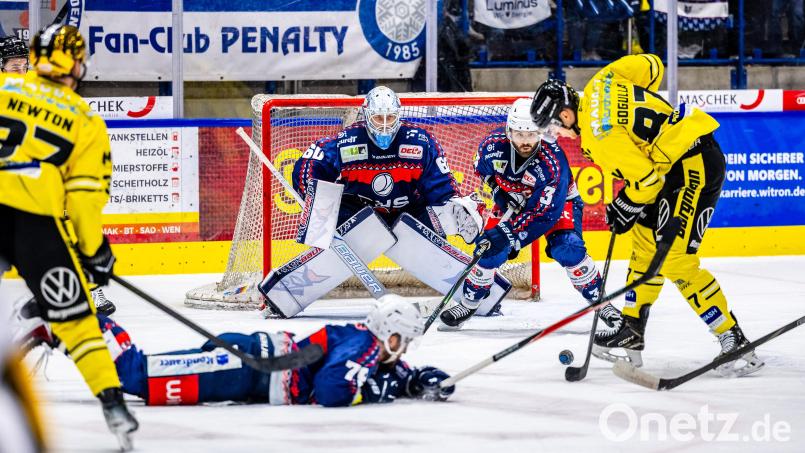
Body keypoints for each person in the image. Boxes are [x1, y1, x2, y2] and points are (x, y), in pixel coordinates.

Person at [529, 57, 764, 376]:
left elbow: (647, 182)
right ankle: (631, 331)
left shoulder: (600, 138)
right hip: (677, 160)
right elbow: (654, 66)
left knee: (675, 259)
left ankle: (733, 339)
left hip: (690, 166)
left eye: (554, 127)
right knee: (643, 246)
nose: (558, 136)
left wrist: (624, 204)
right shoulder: (601, 81)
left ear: (566, 114)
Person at [260, 86, 511, 319]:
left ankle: (479, 286)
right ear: (367, 116)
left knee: (456, 210)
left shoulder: (419, 142)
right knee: (327, 205)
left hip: (409, 213)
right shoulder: (347, 142)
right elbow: (309, 166)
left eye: (389, 118)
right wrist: (315, 202)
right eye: (378, 118)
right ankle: (283, 294)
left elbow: (441, 187)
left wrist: (454, 207)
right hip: (358, 215)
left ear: (398, 116)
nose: (383, 125)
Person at [0, 25, 138, 449]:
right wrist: (96, 254)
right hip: (33, 224)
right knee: (76, 319)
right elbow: (83, 200)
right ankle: (113, 404)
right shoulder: (85, 118)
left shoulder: (4, 88)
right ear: (78, 64)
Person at [15, 294, 455, 407]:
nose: (403, 349)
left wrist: (411, 377)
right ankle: (66, 317)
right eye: (403, 341)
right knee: (137, 377)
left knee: (139, 378)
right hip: (240, 368)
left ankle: (64, 324)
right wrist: (390, 389)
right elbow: (334, 390)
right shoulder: (363, 348)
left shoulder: (364, 343)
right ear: (388, 333)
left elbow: (366, 369)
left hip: (245, 368)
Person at [439, 97, 623, 329]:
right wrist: (498, 192)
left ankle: (602, 304)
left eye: (531, 134)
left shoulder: (552, 162)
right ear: (509, 131)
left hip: (558, 205)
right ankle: (469, 302)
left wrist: (508, 234)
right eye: (519, 134)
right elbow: (483, 170)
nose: (526, 141)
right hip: (512, 203)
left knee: (568, 247)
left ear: (541, 132)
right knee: (488, 249)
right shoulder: (492, 146)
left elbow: (543, 214)